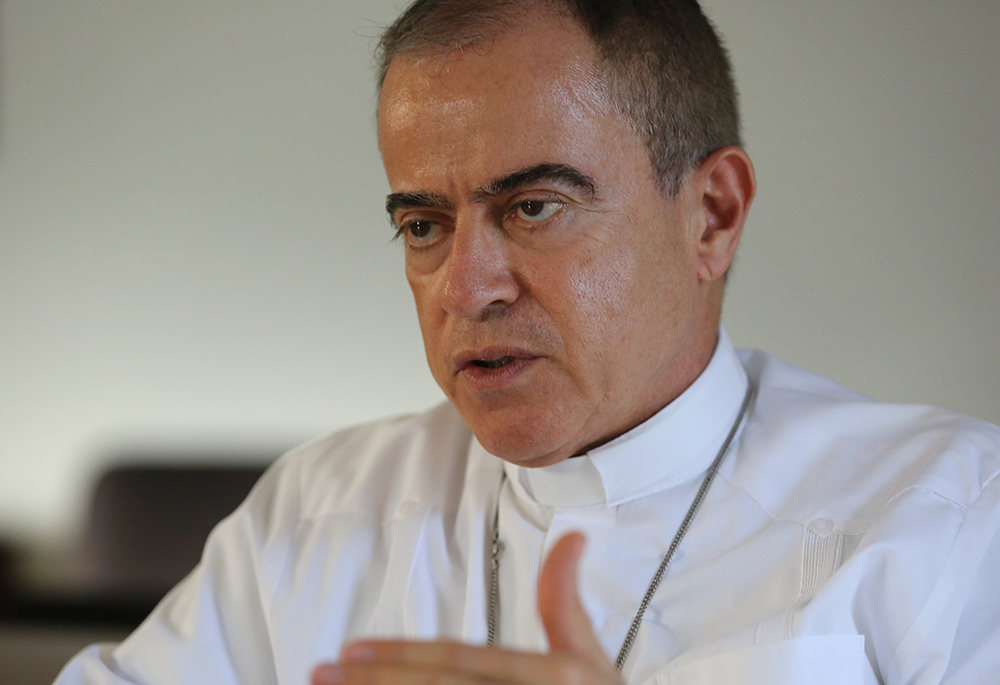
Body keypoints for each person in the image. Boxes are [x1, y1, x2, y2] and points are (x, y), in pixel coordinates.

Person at [56, 1, 1000, 683]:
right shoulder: (319, 509)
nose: (465, 288)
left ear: (711, 215)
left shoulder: (951, 513)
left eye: (534, 206)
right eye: (423, 225)